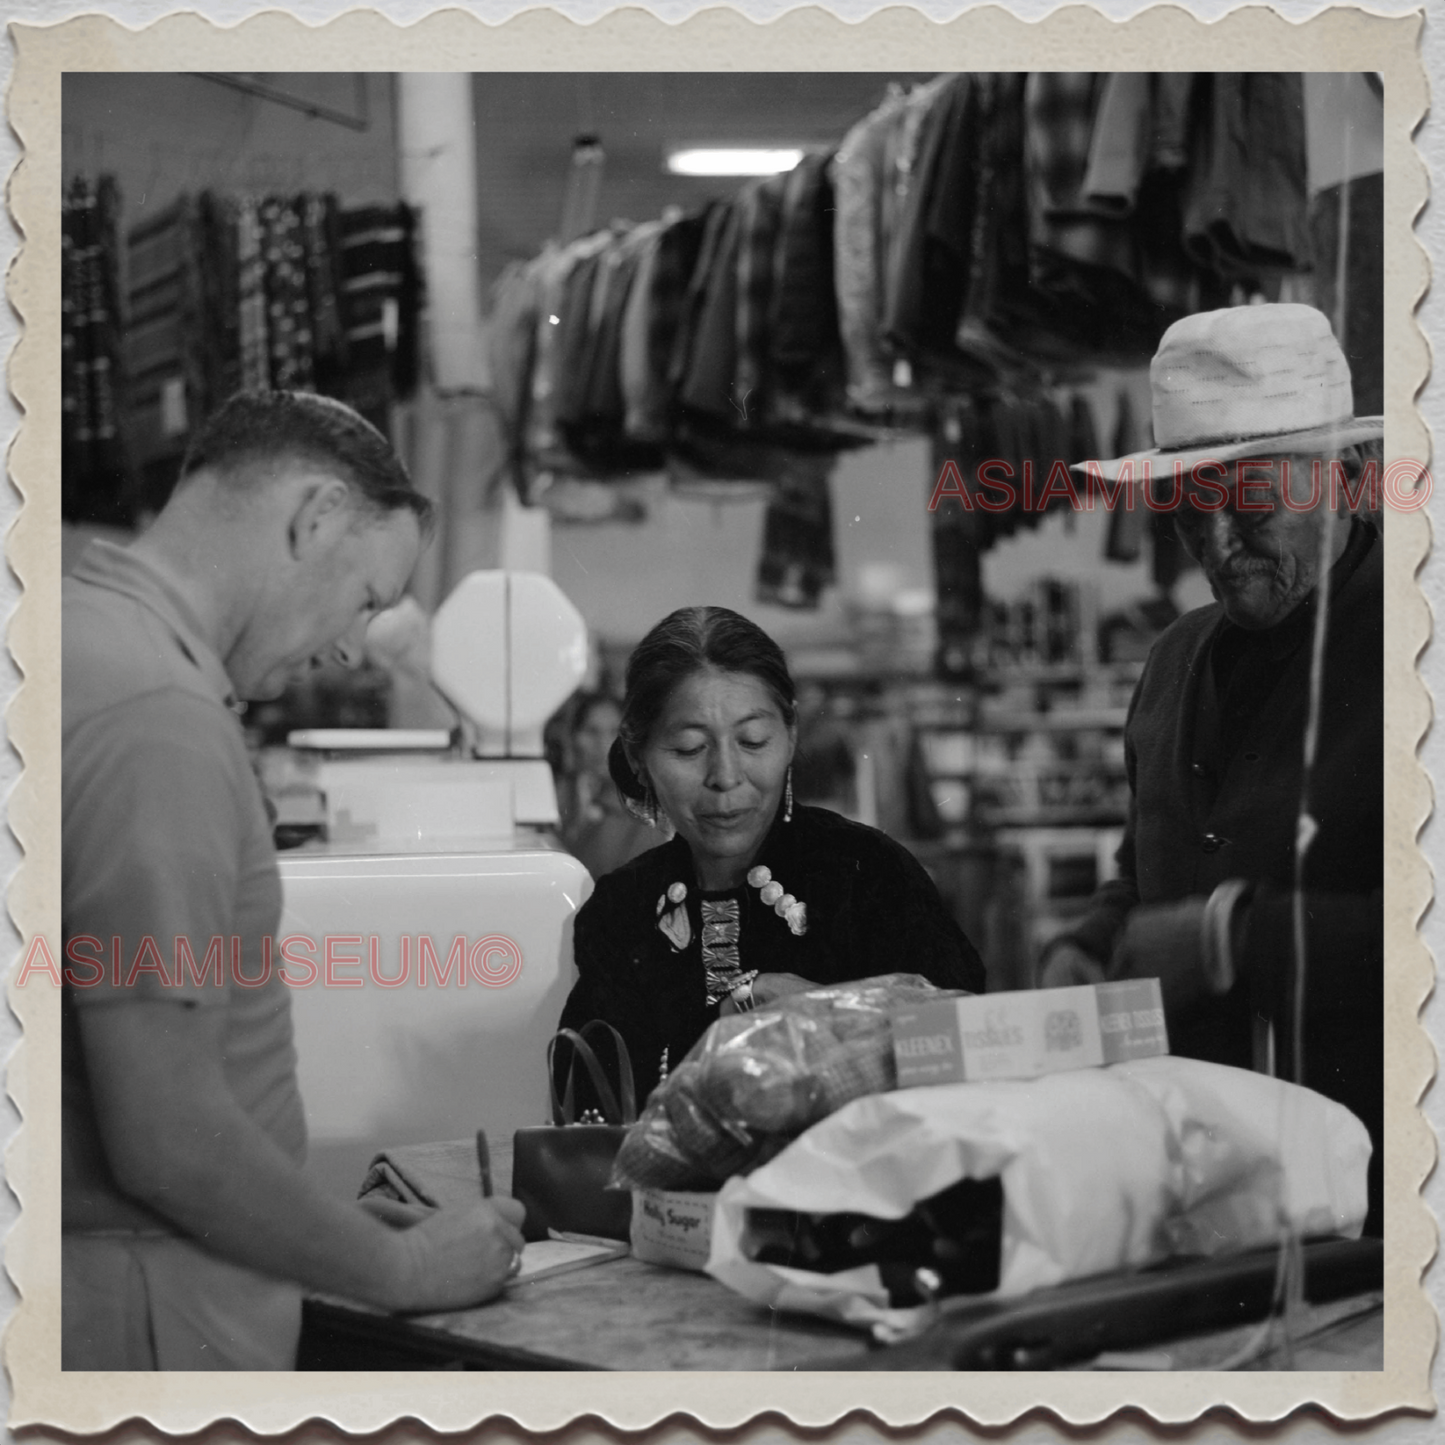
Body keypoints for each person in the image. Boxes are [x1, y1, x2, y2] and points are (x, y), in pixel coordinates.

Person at [62, 391, 527, 1370]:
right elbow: (166, 1135)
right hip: (149, 1325)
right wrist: (399, 1266)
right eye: (365, 595)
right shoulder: (159, 718)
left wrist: (306, 1216)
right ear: (312, 518)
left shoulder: (70, 634)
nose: (353, 645)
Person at [1042, 304, 1384, 1232]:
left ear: (1348, 480)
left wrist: (1235, 936)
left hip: (1382, 1200)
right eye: (1189, 507)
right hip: (1197, 1189)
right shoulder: (1173, 658)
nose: (1218, 542)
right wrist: (1093, 941)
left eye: (1252, 503)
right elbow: (1147, 863)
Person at [558, 606, 985, 1102]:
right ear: (639, 756)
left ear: (791, 736)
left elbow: (968, 1043)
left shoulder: (868, 874)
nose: (726, 775)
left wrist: (833, 1015)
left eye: (753, 741)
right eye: (690, 748)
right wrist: (723, 1021)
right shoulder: (621, 910)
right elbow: (587, 1097)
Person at [556, 690, 657, 879]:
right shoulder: (558, 794)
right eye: (591, 731)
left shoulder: (641, 804)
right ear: (573, 737)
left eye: (613, 732)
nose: (602, 744)